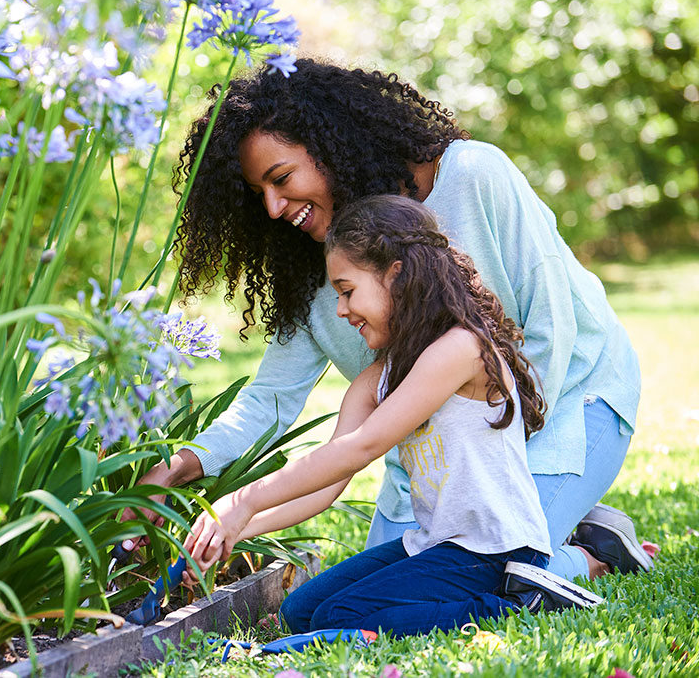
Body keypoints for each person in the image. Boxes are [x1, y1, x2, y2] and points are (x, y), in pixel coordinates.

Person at [123, 58, 650, 593]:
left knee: (491, 577)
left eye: (282, 179)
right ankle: (573, 524)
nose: (275, 207)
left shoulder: (471, 176)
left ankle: (592, 556)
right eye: (260, 194)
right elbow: (268, 401)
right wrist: (178, 467)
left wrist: (497, 478)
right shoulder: (317, 274)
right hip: (436, 460)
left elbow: (552, 328)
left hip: (569, 404)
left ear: (331, 145)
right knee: (384, 586)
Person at [183, 195, 600, 636]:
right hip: (436, 545)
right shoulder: (377, 378)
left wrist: (244, 499)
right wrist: (235, 530)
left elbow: (363, 447)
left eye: (347, 291)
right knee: (301, 612)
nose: (341, 309)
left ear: (395, 276)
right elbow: (327, 483)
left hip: (496, 551)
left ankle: (525, 604)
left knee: (338, 619)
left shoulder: (462, 349)